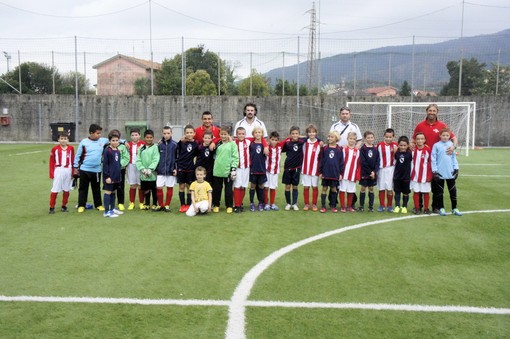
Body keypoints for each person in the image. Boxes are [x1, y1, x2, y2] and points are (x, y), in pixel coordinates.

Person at [412, 103, 458, 213]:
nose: (432, 112)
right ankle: (419, 206)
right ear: (426, 111)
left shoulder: (442, 125)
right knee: (422, 182)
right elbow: (413, 139)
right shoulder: (420, 125)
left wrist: (453, 146)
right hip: (424, 159)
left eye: (434, 111)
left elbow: (454, 138)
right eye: (430, 110)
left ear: (437, 112)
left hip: (438, 161)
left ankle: (435, 206)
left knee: (436, 184)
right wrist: (411, 145)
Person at [73, 123, 109, 213]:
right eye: (97, 133)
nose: (99, 135)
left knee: (96, 188)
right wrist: (75, 167)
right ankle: (81, 205)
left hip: (97, 170)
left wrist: (124, 142)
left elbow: (115, 139)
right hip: (84, 169)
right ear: (91, 133)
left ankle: (98, 205)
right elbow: (78, 155)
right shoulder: (84, 142)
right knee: (83, 188)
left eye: (100, 133)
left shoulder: (103, 141)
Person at [431, 128, 462, 216]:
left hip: (450, 172)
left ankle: (454, 208)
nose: (445, 137)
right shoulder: (436, 145)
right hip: (440, 173)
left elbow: (453, 158)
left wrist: (456, 169)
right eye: (443, 135)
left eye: (447, 135)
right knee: (440, 192)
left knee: (453, 191)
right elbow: (433, 158)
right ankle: (442, 208)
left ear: (449, 136)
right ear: (440, 135)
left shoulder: (451, 145)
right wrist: (435, 171)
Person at [212, 126, 239, 214]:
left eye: (225, 134)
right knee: (217, 189)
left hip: (228, 171)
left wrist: (233, 169)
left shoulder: (232, 144)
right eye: (221, 134)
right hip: (217, 170)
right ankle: (216, 205)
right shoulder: (218, 143)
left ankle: (229, 205)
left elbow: (235, 157)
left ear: (229, 135)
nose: (223, 136)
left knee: (228, 190)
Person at [49, 133, 75, 214]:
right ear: (58, 140)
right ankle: (52, 207)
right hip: (59, 170)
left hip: (68, 170)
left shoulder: (71, 148)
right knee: (55, 189)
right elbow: (51, 161)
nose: (63, 140)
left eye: (65, 139)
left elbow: (73, 159)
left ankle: (64, 205)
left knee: (66, 189)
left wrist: (73, 172)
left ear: (67, 140)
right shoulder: (55, 149)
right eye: (62, 138)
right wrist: (51, 173)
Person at [282, 126, 307, 211]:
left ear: (299, 134)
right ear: (290, 135)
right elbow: (281, 148)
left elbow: (311, 137)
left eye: (296, 134)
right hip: (287, 167)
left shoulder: (302, 141)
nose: (295, 135)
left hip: (297, 167)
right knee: (287, 186)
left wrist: (300, 136)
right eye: (293, 134)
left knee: (295, 186)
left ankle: (294, 203)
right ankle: (288, 203)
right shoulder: (287, 143)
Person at [319, 131, 344, 213]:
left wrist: (341, 173)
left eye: (332, 137)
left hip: (334, 173)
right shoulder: (325, 148)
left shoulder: (339, 149)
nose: (329, 138)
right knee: (324, 188)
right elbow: (321, 160)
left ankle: (333, 206)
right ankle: (323, 206)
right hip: (326, 172)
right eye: (329, 136)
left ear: (336, 138)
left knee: (334, 189)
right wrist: (320, 172)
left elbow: (341, 162)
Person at [176, 125, 199, 212]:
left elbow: (198, 154)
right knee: (181, 186)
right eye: (187, 132)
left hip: (190, 168)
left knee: (190, 187)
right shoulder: (181, 143)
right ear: (184, 133)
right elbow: (176, 153)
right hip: (181, 167)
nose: (189, 134)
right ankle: (182, 205)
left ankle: (189, 205)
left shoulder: (196, 144)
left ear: (194, 133)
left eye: (191, 132)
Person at [155, 126, 178, 212]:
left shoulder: (175, 145)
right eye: (164, 133)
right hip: (160, 170)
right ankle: (160, 205)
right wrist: (156, 168)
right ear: (162, 134)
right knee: (159, 187)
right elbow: (156, 157)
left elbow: (177, 158)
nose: (166, 135)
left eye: (168, 133)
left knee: (169, 187)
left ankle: (167, 205)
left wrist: (175, 168)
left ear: (171, 133)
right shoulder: (159, 145)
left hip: (170, 170)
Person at [136, 129, 160, 210]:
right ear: (144, 138)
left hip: (152, 173)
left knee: (154, 189)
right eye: (147, 137)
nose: (149, 139)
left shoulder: (155, 147)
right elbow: (138, 159)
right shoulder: (141, 148)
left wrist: (150, 169)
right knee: (145, 189)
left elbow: (156, 159)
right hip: (143, 173)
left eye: (151, 137)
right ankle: (147, 203)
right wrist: (142, 169)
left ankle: (154, 203)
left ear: (153, 138)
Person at [102, 131, 124, 218]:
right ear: (110, 141)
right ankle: (106, 211)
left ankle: (112, 208)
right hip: (109, 177)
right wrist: (107, 176)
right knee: (108, 192)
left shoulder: (118, 151)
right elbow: (105, 164)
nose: (115, 142)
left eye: (116, 140)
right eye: (113, 140)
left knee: (114, 192)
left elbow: (117, 164)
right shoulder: (107, 150)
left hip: (116, 176)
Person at [377, 128, 398, 212]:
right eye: (387, 137)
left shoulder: (396, 145)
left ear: (393, 137)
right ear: (384, 136)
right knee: (381, 188)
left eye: (390, 137)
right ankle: (381, 205)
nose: (388, 138)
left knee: (389, 188)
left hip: (391, 169)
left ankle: (389, 205)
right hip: (381, 169)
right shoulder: (379, 145)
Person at [411, 132, 433, 215]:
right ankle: (417, 208)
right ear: (415, 140)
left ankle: (426, 208)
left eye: (422, 139)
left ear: (425, 140)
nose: (420, 140)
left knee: (426, 192)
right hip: (415, 175)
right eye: (418, 139)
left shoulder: (428, 149)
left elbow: (430, 163)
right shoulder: (413, 150)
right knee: (416, 191)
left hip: (425, 176)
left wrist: (430, 175)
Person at [339, 132, 361, 212]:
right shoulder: (343, 149)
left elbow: (359, 164)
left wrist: (358, 175)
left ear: (356, 140)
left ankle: (349, 206)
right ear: (347, 139)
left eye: (354, 139)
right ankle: (342, 206)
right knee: (342, 189)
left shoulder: (358, 151)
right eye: (350, 138)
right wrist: (340, 173)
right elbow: (340, 162)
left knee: (351, 190)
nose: (352, 140)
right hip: (344, 174)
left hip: (353, 175)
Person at [301, 124, 322, 212]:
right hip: (305, 169)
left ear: (316, 133)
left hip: (315, 169)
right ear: (307, 133)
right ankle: (306, 204)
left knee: (314, 187)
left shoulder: (319, 144)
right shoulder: (304, 143)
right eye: (310, 132)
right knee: (306, 187)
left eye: (313, 132)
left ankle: (314, 204)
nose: (311, 134)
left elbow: (321, 157)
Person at [357, 131, 379, 212]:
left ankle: (371, 207)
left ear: (374, 138)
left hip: (373, 173)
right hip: (365, 172)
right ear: (365, 138)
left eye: (371, 137)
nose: (370, 139)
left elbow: (377, 161)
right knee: (363, 188)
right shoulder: (363, 149)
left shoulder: (375, 149)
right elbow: (363, 162)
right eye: (368, 138)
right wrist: (370, 172)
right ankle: (361, 206)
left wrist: (374, 171)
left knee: (371, 188)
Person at [109, 129, 130, 211]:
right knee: (111, 187)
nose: (115, 141)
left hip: (120, 169)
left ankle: (120, 203)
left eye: (117, 138)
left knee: (120, 187)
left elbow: (126, 157)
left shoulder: (123, 147)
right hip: (111, 170)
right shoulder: (108, 147)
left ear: (119, 138)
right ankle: (111, 203)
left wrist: (119, 164)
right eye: (113, 139)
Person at [248, 127, 268, 212]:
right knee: (252, 186)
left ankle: (260, 202)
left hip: (261, 169)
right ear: (253, 134)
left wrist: (266, 147)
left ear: (262, 134)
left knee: (261, 186)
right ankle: (251, 203)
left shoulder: (264, 144)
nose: (257, 134)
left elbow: (267, 154)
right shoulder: (251, 144)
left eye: (259, 132)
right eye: (255, 132)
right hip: (253, 169)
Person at [126, 128, 146, 210]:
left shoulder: (143, 144)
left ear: (140, 135)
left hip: (141, 166)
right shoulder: (128, 144)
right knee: (133, 185)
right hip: (131, 166)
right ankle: (132, 203)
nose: (134, 137)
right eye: (132, 135)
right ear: (130, 136)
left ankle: (141, 203)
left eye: (136, 135)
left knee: (140, 185)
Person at [263, 131, 283, 211]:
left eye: (275, 140)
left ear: (278, 140)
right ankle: (266, 204)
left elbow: (288, 139)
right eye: (272, 139)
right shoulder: (266, 147)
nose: (274, 141)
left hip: (275, 171)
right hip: (267, 170)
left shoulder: (280, 147)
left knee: (273, 187)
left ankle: (272, 203)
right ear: (269, 139)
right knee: (266, 187)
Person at [233, 127, 251, 212]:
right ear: (236, 134)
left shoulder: (248, 142)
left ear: (245, 134)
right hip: (237, 168)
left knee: (243, 186)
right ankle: (236, 205)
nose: (241, 135)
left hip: (246, 167)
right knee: (237, 185)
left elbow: (260, 138)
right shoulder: (233, 143)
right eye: (239, 134)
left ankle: (240, 203)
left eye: (243, 134)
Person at [393, 136, 412, 214]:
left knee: (405, 192)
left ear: (407, 145)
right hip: (397, 176)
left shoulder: (410, 153)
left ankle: (404, 206)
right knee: (397, 192)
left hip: (406, 177)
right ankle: (397, 206)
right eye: (401, 145)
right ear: (398, 145)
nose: (402, 147)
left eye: (404, 145)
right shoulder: (396, 153)